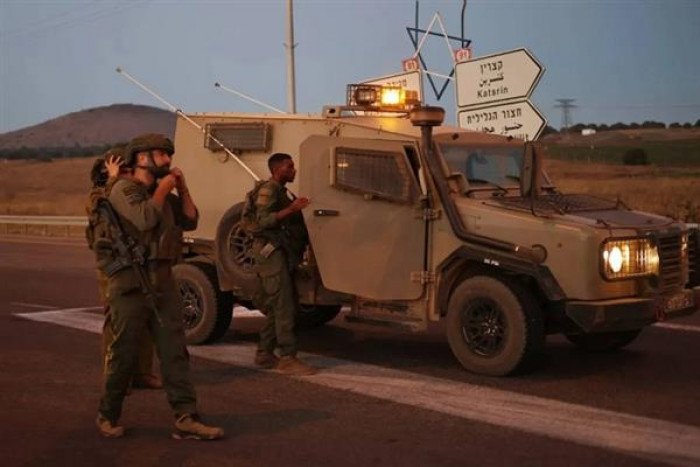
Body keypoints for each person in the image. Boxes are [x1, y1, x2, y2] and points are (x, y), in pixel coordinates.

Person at [95, 133, 223, 440]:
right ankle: (108, 413)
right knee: (124, 353)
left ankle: (186, 417)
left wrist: (182, 188)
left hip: (163, 282)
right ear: (142, 158)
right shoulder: (124, 189)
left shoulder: (162, 194)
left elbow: (190, 220)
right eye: (162, 154)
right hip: (131, 284)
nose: (168, 160)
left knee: (175, 352)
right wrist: (165, 189)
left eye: (169, 154)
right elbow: (144, 219)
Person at [86, 147, 162, 391]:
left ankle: (142, 372)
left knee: (144, 315)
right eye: (124, 170)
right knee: (116, 320)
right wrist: (113, 178)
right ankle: (115, 376)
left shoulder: (132, 192)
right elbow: (105, 207)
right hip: (112, 266)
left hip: (136, 261)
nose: (129, 174)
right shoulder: (99, 195)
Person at [245, 152, 315, 376]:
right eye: (289, 167)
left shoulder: (282, 191)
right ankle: (287, 357)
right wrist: (292, 209)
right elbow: (263, 220)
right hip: (271, 253)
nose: (294, 170)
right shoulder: (269, 189)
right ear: (277, 170)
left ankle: (264, 353)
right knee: (284, 306)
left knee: (280, 305)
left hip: (282, 253)